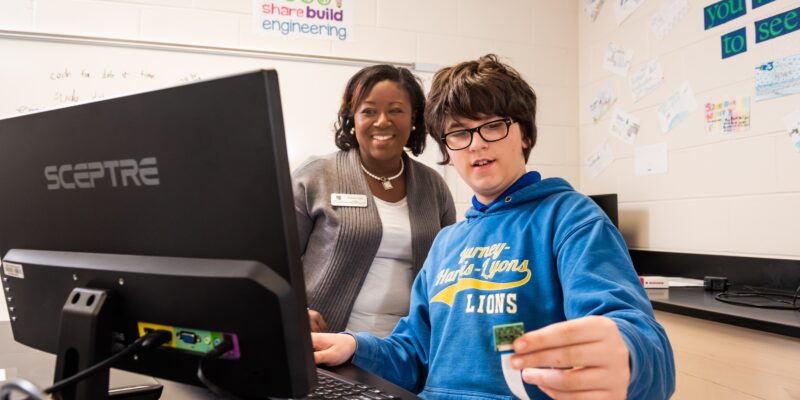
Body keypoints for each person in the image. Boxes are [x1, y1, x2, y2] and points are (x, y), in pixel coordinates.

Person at [311, 55, 675, 399]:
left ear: (525, 135)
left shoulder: (570, 218)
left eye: (493, 126)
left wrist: (629, 355)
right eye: (458, 133)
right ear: (447, 153)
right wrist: (355, 345)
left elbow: (638, 335)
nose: (477, 143)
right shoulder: (447, 242)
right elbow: (415, 352)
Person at [292, 64, 456, 337]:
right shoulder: (316, 176)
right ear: (351, 118)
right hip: (322, 345)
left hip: (405, 353)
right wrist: (293, 309)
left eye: (395, 110)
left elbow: (448, 272)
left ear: (413, 117)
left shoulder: (433, 186)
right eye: (368, 111)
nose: (382, 121)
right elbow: (274, 263)